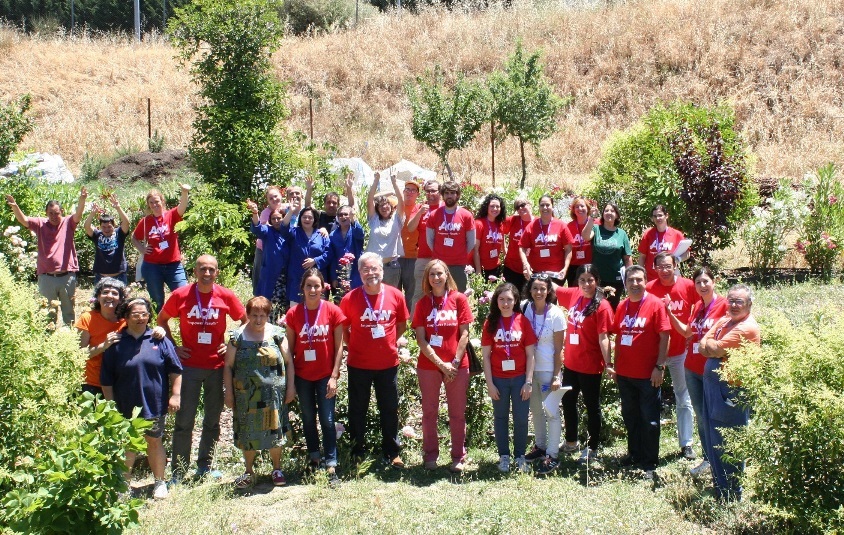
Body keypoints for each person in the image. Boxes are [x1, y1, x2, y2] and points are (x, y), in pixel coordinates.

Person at [157, 255, 247, 480]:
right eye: (203, 269)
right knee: (184, 421)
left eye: (211, 270)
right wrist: (174, 347)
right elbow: (161, 319)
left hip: (216, 367)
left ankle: (204, 467)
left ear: (217, 272)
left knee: (212, 420)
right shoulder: (180, 295)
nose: (207, 274)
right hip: (188, 367)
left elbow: (245, 320)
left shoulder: (225, 295)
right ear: (195, 272)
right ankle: (178, 472)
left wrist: (232, 344)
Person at [101, 297, 182, 500]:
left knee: (154, 441)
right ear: (126, 317)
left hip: (153, 404)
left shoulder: (158, 339)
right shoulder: (116, 343)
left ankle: (160, 482)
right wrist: (110, 406)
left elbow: (175, 370)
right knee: (128, 445)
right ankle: (123, 487)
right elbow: (106, 379)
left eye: (144, 314)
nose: (140, 318)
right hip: (124, 405)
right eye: (135, 314)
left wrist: (175, 395)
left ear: (149, 316)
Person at [339, 252, 410, 467]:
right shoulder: (350, 299)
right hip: (358, 364)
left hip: (387, 364)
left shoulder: (396, 295)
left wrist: (389, 342)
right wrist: (354, 345)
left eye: (374, 268)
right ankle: (357, 452)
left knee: (389, 409)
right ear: (359, 273)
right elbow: (344, 329)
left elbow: (402, 324)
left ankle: (391, 452)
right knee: (357, 410)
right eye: (365, 269)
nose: (370, 273)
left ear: (382, 270)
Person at [224, 296, 294, 489]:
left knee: (275, 430)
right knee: (247, 432)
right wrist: (228, 392)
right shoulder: (237, 337)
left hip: (274, 396)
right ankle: (248, 471)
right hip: (245, 397)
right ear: (248, 314)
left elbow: (289, 362)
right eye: (254, 315)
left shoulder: (277, 334)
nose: (258, 319)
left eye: (263, 315)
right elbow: (228, 366)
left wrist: (291, 387)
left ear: (268, 316)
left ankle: (277, 469)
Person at [664, 266, 728, 478]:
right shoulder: (698, 307)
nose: (702, 285)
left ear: (714, 282)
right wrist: (670, 312)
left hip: (713, 369)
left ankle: (722, 460)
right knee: (701, 416)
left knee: (715, 415)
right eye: (698, 282)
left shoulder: (724, 305)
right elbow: (686, 332)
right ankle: (708, 459)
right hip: (691, 368)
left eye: (706, 281)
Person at [698, 284, 760, 501]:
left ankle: (732, 494)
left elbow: (713, 349)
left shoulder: (746, 328)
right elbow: (702, 345)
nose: (733, 305)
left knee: (728, 441)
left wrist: (711, 345)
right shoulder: (725, 321)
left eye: (739, 301)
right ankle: (721, 488)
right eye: (730, 300)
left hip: (730, 392)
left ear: (749, 304)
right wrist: (710, 345)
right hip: (714, 387)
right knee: (713, 438)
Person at [285, 269, 346, 485]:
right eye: (308, 286)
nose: (312, 290)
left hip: (325, 376)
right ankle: (314, 457)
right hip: (303, 376)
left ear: (323, 288)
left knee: (328, 420)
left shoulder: (332, 311)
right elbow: (289, 351)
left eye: (316, 286)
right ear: (302, 288)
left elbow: (339, 346)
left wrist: (334, 376)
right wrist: (291, 380)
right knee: (309, 418)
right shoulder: (293, 314)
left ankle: (331, 463)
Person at [412, 259, 473, 473]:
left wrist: (453, 363)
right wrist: (441, 364)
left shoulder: (459, 299)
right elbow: (421, 340)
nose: (436, 278)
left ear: (447, 275)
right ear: (427, 278)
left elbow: (464, 334)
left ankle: (458, 456)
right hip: (429, 366)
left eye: (439, 273)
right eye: (432, 274)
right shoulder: (422, 304)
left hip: (457, 365)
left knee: (457, 413)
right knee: (429, 412)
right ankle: (430, 455)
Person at [609, 265, 670, 477]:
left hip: (648, 375)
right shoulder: (622, 305)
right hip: (625, 374)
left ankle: (649, 461)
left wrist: (659, 367)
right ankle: (634, 454)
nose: (635, 284)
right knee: (630, 416)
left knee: (649, 419)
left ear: (645, 281)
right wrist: (615, 366)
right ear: (625, 283)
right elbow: (618, 335)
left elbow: (665, 336)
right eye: (631, 280)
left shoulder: (655, 305)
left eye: (639, 280)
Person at [555, 264, 614, 465]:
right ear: (577, 282)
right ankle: (571, 441)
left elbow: (604, 337)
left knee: (592, 406)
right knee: (568, 402)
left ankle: (592, 447)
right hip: (571, 363)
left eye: (590, 280)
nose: (586, 284)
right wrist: (536, 273)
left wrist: (608, 363)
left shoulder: (602, 306)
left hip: (590, 365)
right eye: (582, 280)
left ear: (597, 281)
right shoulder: (574, 294)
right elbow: (554, 288)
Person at [646, 252, 700, 461]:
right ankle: (649, 445)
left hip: (680, 351)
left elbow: (700, 308)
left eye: (668, 266)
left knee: (683, 398)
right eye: (660, 266)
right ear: (654, 268)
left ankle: (686, 444)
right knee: (650, 399)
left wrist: (692, 333)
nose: (664, 270)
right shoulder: (649, 288)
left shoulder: (687, 286)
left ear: (675, 265)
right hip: (655, 353)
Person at [5, 188, 87, 326]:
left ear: (62, 211)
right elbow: (24, 220)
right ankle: (49, 337)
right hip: (46, 278)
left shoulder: (68, 222)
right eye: (51, 213)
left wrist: (82, 199)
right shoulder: (40, 223)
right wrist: (15, 207)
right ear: (46, 213)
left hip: (67, 276)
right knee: (47, 314)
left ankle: (70, 337)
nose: (54, 216)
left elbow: (78, 214)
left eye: (56, 213)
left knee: (69, 313)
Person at [481, 282, 537, 474]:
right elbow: (486, 357)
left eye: (509, 300)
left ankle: (520, 456)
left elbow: (530, 355)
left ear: (515, 301)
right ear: (496, 301)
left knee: (521, 419)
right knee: (501, 418)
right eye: (502, 299)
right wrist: (490, 384)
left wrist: (528, 382)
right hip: (499, 380)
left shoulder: (523, 321)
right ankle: (504, 456)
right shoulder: (490, 323)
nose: (505, 303)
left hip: (520, 379)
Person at [520, 274, 566, 475]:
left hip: (548, 371)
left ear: (548, 291)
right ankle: (540, 447)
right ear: (529, 290)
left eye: (542, 289)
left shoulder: (556, 314)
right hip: (530, 371)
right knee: (536, 411)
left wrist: (556, 376)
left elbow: (559, 349)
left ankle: (553, 455)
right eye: (535, 288)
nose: (538, 292)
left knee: (551, 413)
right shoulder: (525, 308)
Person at [131, 184, 191, 312]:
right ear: (148, 205)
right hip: (152, 266)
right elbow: (134, 237)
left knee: (183, 294)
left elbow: (182, 207)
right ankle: (159, 323)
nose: (154, 205)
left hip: (173, 265)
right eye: (151, 203)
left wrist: (184, 192)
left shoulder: (171, 215)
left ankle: (184, 321)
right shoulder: (146, 221)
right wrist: (142, 249)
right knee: (157, 300)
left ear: (162, 201)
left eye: (156, 201)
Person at [76, 277, 128, 397]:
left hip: (119, 381)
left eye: (114, 293)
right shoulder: (87, 318)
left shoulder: (127, 320)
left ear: (121, 299)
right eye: (105, 292)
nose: (109, 296)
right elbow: (80, 354)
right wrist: (104, 345)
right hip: (92, 381)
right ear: (98, 297)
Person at [426, 180, 476, 292]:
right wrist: (439, 253)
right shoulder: (434, 215)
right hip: (439, 264)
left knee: (458, 295)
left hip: (459, 265)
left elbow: (471, 242)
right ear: (443, 195)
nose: (449, 196)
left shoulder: (466, 215)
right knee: (439, 294)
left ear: (457, 195)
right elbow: (429, 240)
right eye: (447, 193)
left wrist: (459, 254)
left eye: (452, 193)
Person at [584, 203, 632, 310]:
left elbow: (627, 258)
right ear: (602, 214)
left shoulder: (622, 234)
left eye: (612, 211)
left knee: (612, 309)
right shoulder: (596, 229)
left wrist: (630, 278)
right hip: (597, 279)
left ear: (617, 215)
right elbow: (586, 236)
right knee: (596, 307)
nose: (609, 213)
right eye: (606, 210)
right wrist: (591, 217)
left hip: (616, 279)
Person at [519, 194, 574, 286]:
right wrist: (526, 265)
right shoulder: (532, 226)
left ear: (552, 207)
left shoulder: (561, 225)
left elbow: (568, 249)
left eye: (548, 205)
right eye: (542, 205)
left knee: (553, 295)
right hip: (536, 273)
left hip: (556, 273)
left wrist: (565, 268)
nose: (545, 207)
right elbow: (522, 247)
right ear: (539, 207)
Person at [280, 203, 329, 306]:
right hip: (296, 278)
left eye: (310, 217)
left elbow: (329, 254)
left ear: (314, 220)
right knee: (296, 309)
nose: (307, 219)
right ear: (300, 218)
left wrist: (315, 260)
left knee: (316, 309)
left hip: (316, 280)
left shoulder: (321, 235)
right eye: (304, 217)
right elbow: (283, 227)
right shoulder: (294, 232)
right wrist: (291, 212)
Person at [365, 172, 405, 288]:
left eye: (386, 204)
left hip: (391, 266)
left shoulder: (397, 219)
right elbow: (370, 200)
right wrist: (376, 180)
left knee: (390, 295)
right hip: (373, 266)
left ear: (391, 207)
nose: (384, 207)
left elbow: (401, 201)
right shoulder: (374, 220)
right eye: (380, 205)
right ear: (377, 209)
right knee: (373, 294)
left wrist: (394, 183)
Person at [409, 179, 442, 313]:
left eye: (433, 191)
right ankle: (414, 323)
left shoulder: (445, 208)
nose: (430, 194)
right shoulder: (420, 208)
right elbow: (410, 228)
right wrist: (420, 212)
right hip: (423, 258)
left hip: (441, 258)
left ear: (440, 192)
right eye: (427, 191)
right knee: (419, 293)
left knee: (441, 293)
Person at [83, 194, 131, 284]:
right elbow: (86, 226)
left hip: (119, 276)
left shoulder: (119, 233)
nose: (106, 229)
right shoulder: (97, 235)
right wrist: (92, 213)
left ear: (114, 225)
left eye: (109, 227)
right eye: (103, 227)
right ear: (100, 227)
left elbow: (126, 222)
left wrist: (118, 208)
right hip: (101, 277)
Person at [247, 199, 288, 301]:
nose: (276, 221)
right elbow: (257, 228)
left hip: (286, 275)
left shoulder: (289, 232)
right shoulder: (268, 231)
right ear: (270, 220)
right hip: (270, 274)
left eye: (279, 218)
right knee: (266, 303)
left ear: (284, 218)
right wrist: (255, 213)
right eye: (273, 219)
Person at [637, 204, 686, 282]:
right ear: (652, 218)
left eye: (660, 215)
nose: (657, 218)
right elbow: (642, 257)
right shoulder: (648, 234)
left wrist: (677, 259)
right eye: (655, 216)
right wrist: (640, 274)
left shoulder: (676, 234)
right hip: (651, 279)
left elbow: (687, 253)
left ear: (666, 216)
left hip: (670, 278)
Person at [251, 185, 285, 295]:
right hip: (264, 249)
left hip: (282, 249)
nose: (274, 199)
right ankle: (258, 297)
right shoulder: (266, 212)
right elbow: (261, 229)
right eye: (271, 198)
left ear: (281, 196)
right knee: (261, 277)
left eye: (276, 196)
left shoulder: (286, 208)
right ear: (268, 201)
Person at [326, 204, 365, 298]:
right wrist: (334, 277)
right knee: (341, 300)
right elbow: (333, 257)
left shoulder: (355, 230)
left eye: (346, 214)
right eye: (340, 215)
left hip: (356, 272)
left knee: (357, 300)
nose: (343, 217)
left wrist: (354, 220)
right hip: (340, 274)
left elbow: (360, 234)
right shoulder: (333, 235)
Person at [398, 177, 422, 306]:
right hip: (395, 256)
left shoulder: (420, 208)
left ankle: (408, 317)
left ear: (418, 194)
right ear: (403, 191)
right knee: (394, 292)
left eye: (413, 190)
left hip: (413, 257)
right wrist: (392, 192)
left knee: (411, 293)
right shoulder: (395, 205)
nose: (409, 192)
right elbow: (375, 199)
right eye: (407, 189)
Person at [501, 197, 534, 292]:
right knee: (511, 295)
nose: (520, 208)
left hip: (530, 268)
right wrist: (504, 249)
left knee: (527, 296)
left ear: (530, 205)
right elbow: (500, 231)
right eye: (517, 207)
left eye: (522, 205)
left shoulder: (537, 222)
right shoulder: (513, 220)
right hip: (512, 266)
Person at [472, 194, 507, 279]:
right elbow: (475, 249)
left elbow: (504, 246)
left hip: (496, 267)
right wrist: (478, 270)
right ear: (486, 207)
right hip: (481, 268)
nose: (495, 209)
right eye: (492, 206)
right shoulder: (479, 224)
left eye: (497, 206)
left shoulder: (500, 224)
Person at [565, 197, 597, 288]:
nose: (580, 209)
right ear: (573, 210)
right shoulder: (569, 226)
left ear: (587, 208)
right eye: (577, 207)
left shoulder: (596, 224)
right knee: (574, 292)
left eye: (582, 206)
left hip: (590, 265)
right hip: (573, 266)